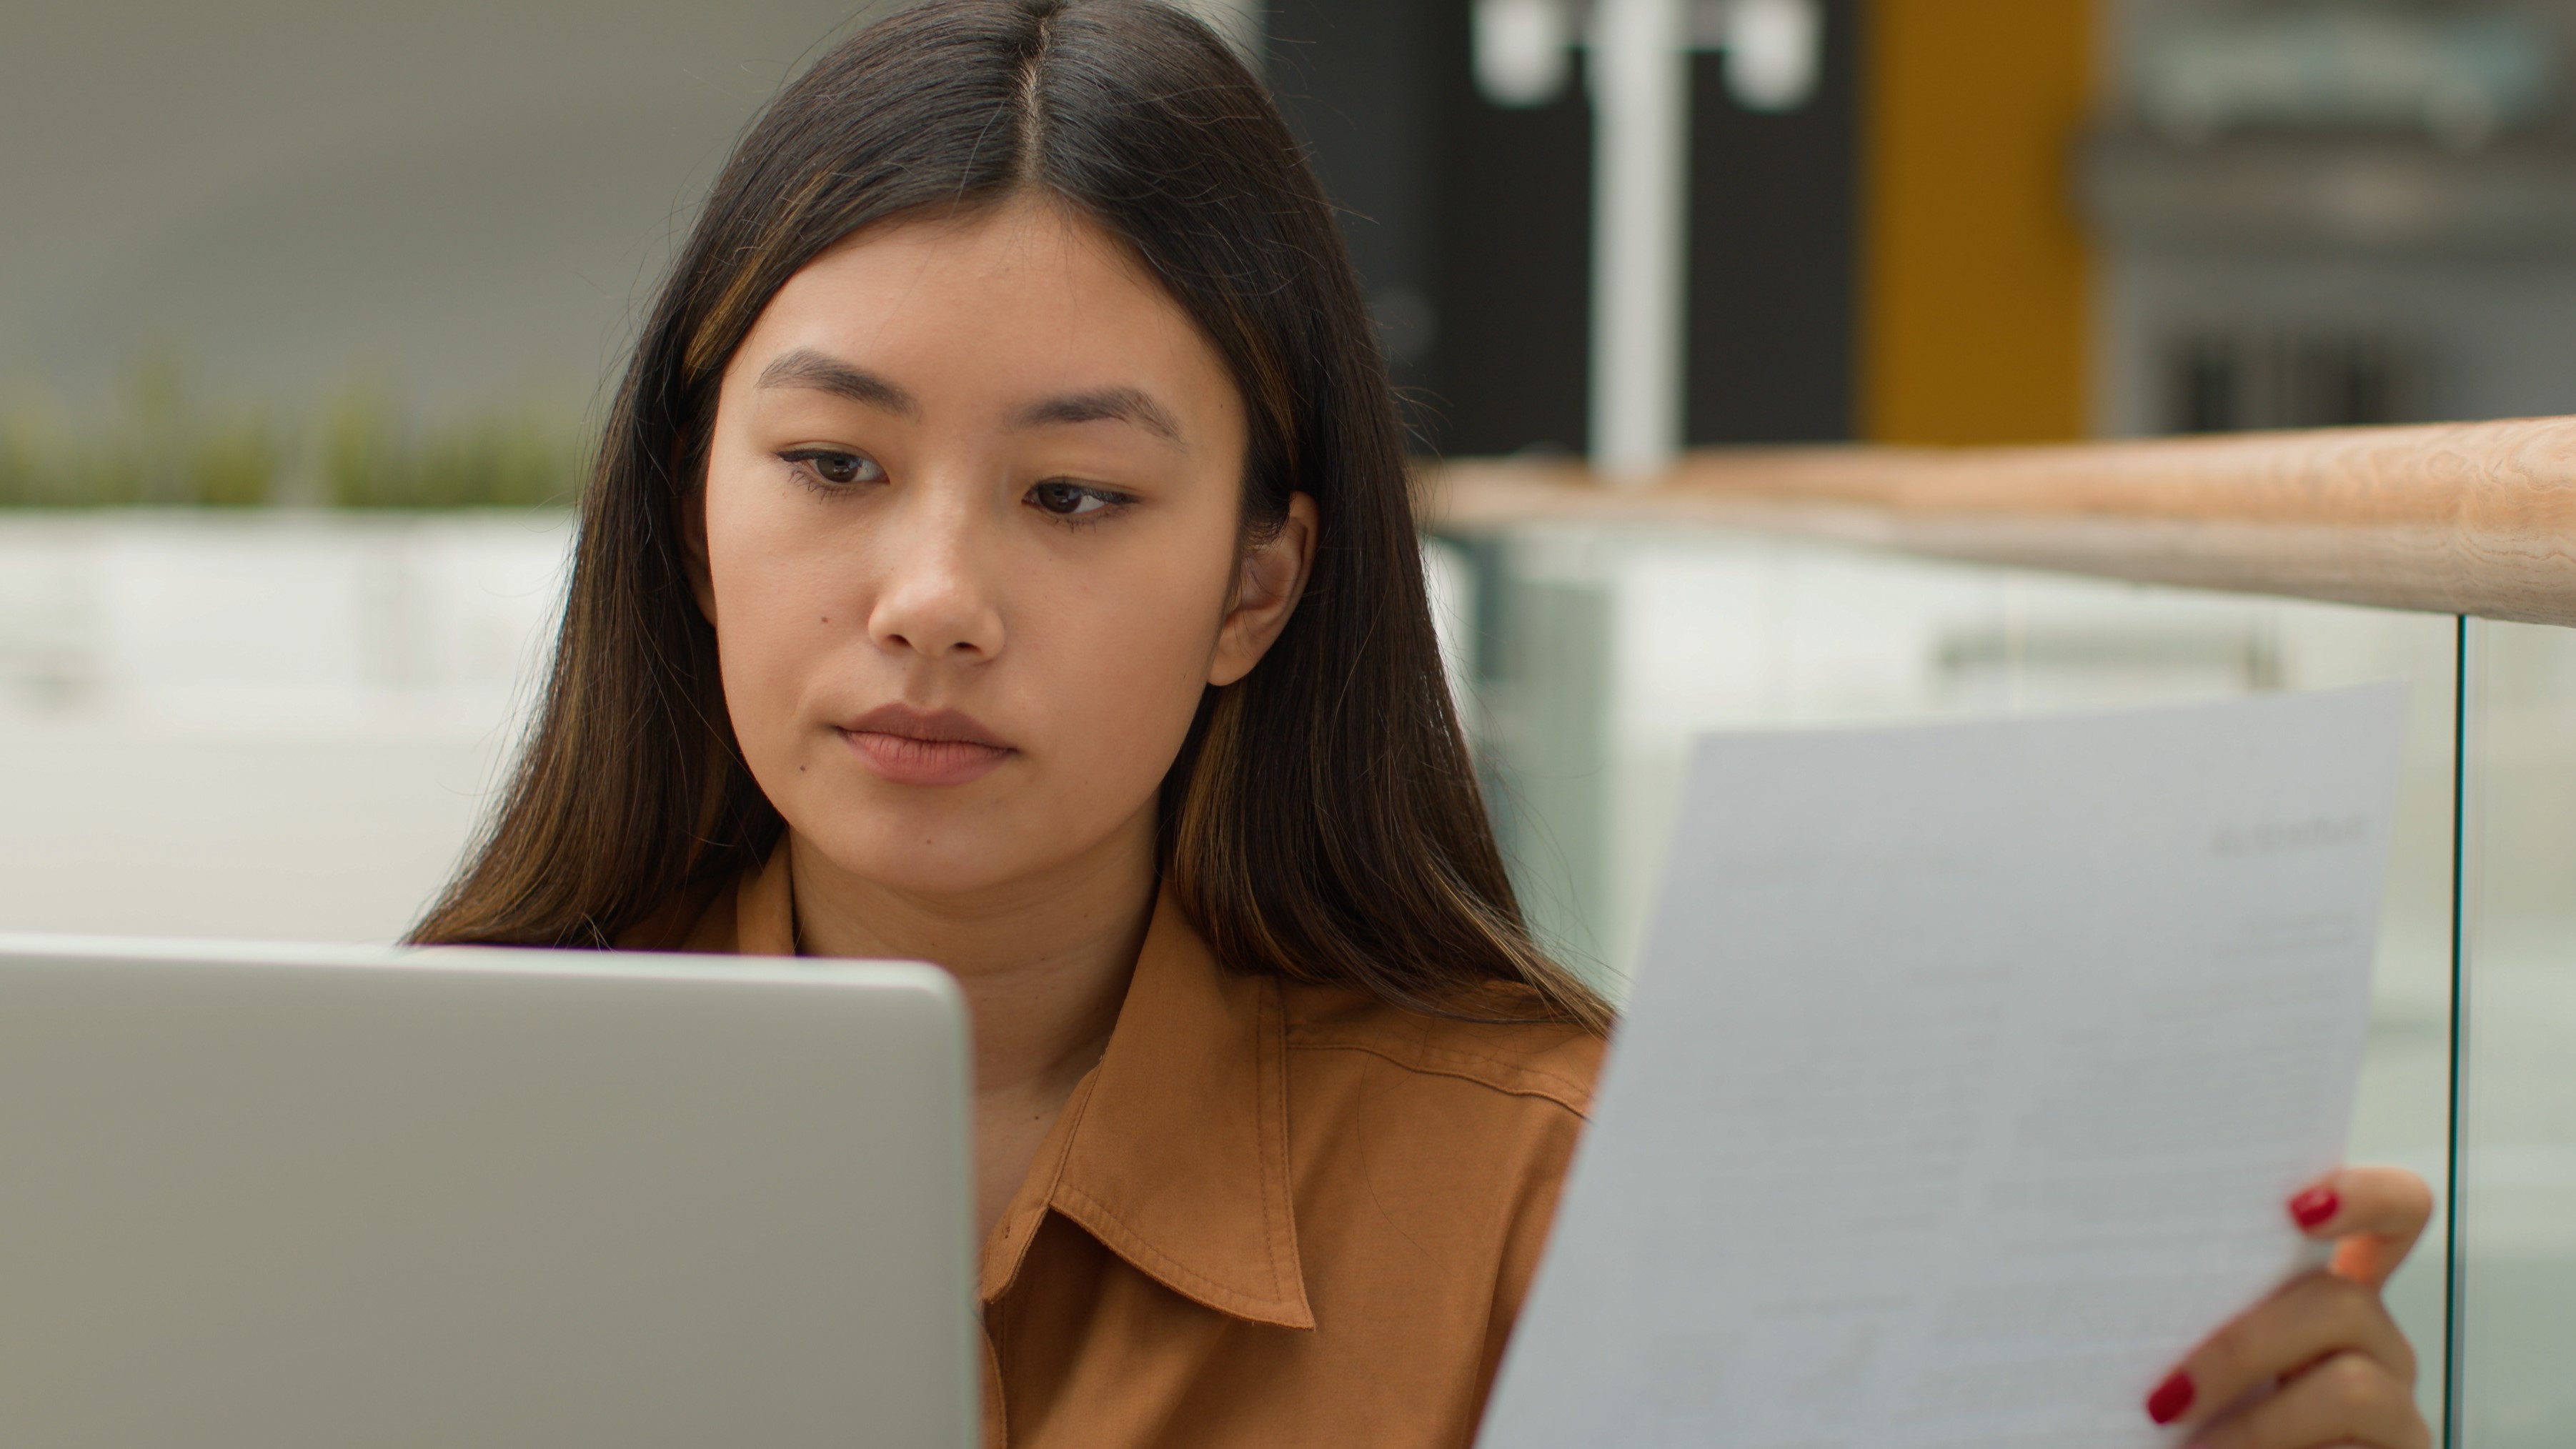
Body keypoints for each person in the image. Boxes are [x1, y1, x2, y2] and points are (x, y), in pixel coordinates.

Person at [412, 2, 2435, 1445]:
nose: (931, 597)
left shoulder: (1578, 1195)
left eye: (1077, 496)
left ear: (1258, 587)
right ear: (691, 509)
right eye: (836, 466)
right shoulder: (415, 1117)